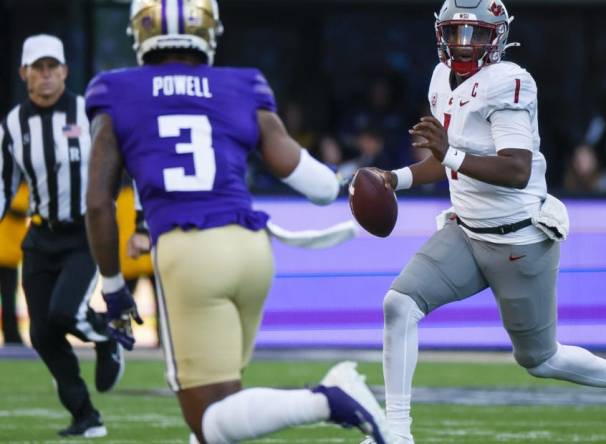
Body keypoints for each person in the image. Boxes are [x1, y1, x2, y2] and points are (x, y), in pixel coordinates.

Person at [83, 1, 391, 443]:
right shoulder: (240, 84)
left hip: (190, 252)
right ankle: (330, 397)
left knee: (208, 420)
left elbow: (97, 202)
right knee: (223, 400)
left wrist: (112, 289)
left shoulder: (116, 89)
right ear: (208, 29)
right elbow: (320, 187)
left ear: (141, 31)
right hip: (252, 250)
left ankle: (328, 398)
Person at [361, 1, 606, 442]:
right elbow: (450, 161)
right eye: (456, 32)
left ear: (498, 37)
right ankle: (396, 433)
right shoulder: (438, 79)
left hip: (517, 240)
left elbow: (515, 169)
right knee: (399, 305)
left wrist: (449, 154)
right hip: (465, 232)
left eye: (476, 34)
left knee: (540, 359)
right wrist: (395, 178)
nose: (463, 45)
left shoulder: (510, 82)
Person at [0, 34, 123, 438]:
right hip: (40, 236)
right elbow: (4, 184)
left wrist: (139, 224)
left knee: (64, 314)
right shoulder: (13, 125)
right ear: (24, 74)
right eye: (38, 68)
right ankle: (85, 415)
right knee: (41, 333)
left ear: (66, 72)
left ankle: (107, 338)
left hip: (84, 232)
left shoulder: (90, 113)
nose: (46, 75)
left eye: (53, 67)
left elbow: (127, 164)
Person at [0, 183, 28, 345]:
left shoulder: (22, 189)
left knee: (10, 297)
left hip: (9, 254)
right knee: (9, 296)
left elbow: (20, 210)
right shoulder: (21, 189)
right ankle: (12, 336)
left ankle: (12, 335)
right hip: (8, 253)